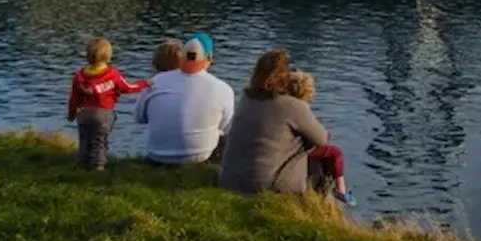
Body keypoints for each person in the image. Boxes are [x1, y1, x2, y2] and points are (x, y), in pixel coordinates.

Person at [218, 49, 333, 197]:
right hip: (266, 186)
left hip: (229, 180)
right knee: (313, 151)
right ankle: (321, 206)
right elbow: (323, 139)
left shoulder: (245, 99)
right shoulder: (290, 105)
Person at [133, 32, 234, 164]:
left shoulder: (156, 82)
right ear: (209, 57)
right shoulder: (222, 88)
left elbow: (139, 117)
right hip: (200, 157)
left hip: (156, 156)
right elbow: (222, 124)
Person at [67, 38, 150, 170]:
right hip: (103, 113)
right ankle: (98, 167)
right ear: (108, 56)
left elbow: (73, 98)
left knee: (85, 140)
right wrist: (144, 83)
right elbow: (128, 87)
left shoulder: (79, 76)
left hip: (83, 114)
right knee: (99, 141)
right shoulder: (112, 74)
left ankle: (82, 164)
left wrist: (71, 114)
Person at [286, 70, 356, 206]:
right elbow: (322, 138)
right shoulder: (301, 109)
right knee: (335, 153)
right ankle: (341, 189)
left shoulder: (283, 106)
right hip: (297, 149)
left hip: (287, 147)